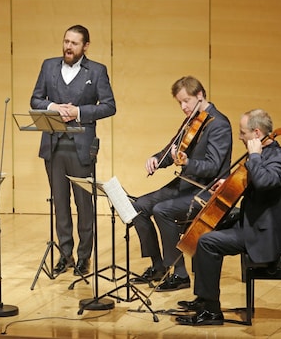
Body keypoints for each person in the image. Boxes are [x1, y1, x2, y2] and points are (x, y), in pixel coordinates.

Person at [176, 109, 281, 326]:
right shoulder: (266, 154)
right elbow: (256, 183)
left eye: (243, 133)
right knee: (206, 229)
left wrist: (254, 156)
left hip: (266, 233)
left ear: (256, 132)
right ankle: (204, 299)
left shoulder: (279, 158)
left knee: (206, 242)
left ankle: (212, 312)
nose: (240, 137)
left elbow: (264, 182)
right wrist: (228, 184)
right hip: (253, 222)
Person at [130, 76, 232, 291]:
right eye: (179, 103)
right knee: (137, 206)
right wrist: (157, 158)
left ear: (200, 95)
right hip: (184, 185)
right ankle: (158, 266)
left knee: (161, 210)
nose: (183, 107)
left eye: (186, 101)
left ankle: (180, 274)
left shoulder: (219, 125)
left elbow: (213, 167)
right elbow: (173, 149)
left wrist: (187, 162)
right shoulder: (193, 120)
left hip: (206, 191)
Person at [30, 24, 117, 276]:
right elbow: (35, 99)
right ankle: (64, 254)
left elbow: (109, 106)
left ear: (85, 46)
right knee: (60, 203)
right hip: (53, 145)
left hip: (81, 146)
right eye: (66, 41)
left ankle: (83, 257)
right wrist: (53, 106)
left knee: (84, 205)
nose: (68, 46)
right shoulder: (49, 66)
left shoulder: (97, 71)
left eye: (74, 43)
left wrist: (79, 112)